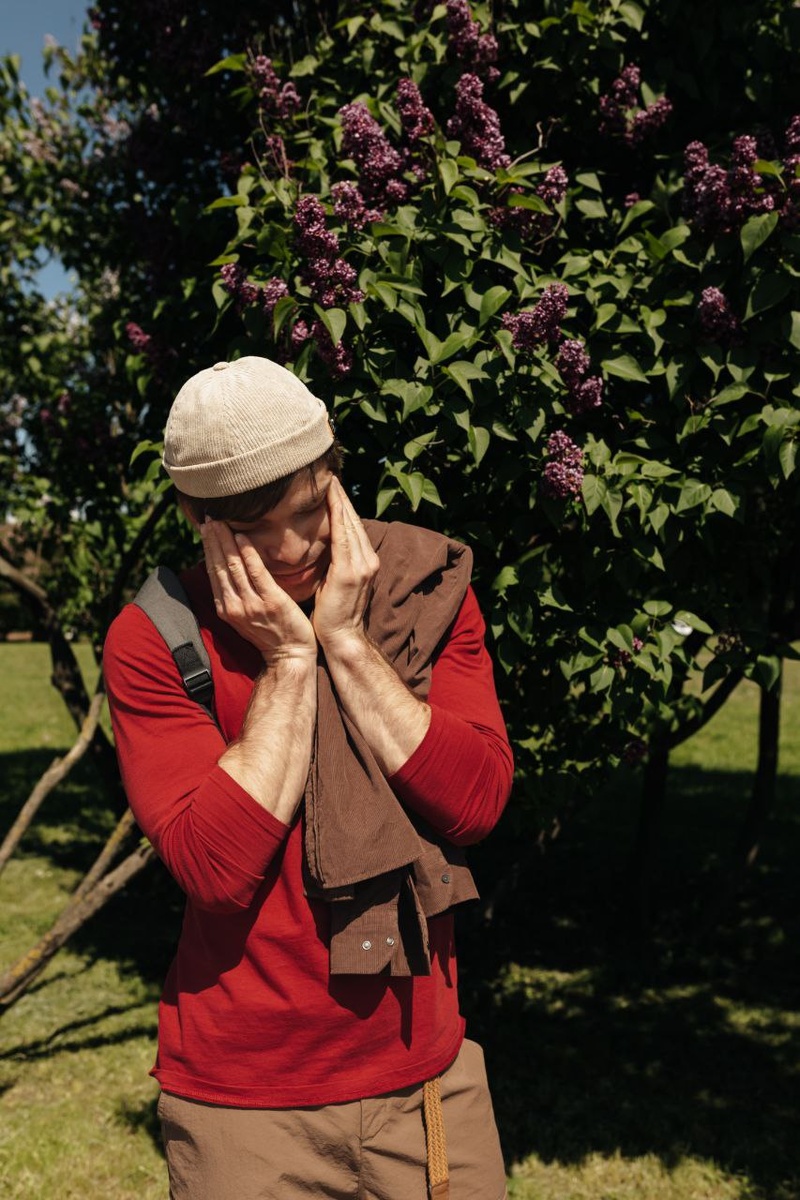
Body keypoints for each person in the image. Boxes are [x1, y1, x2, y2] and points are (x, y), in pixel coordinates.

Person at [103, 355, 513, 1200]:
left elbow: (475, 803)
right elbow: (216, 871)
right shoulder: (156, 638)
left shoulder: (424, 590)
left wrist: (349, 645)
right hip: (244, 1107)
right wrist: (291, 659)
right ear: (195, 516)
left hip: (427, 1078)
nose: (293, 550)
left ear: (334, 473)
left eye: (307, 510)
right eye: (254, 529)